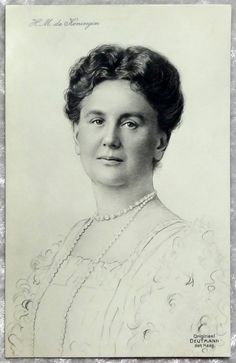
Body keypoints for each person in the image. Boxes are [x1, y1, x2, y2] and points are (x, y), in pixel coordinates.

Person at [7, 44, 228, 357]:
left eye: (130, 123)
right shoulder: (68, 243)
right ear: (76, 133)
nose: (110, 139)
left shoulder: (187, 251)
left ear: (160, 142)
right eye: (97, 121)